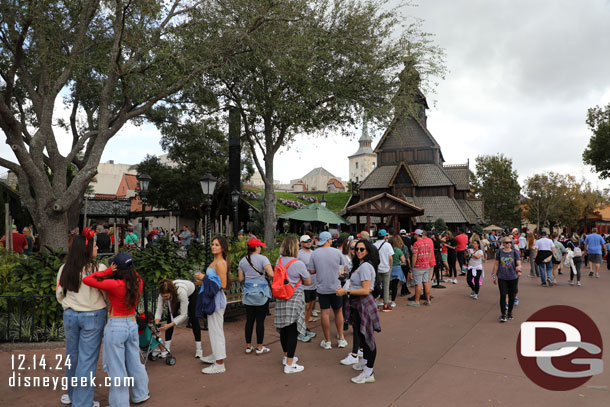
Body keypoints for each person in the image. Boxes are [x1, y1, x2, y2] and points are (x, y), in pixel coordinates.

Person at [82, 252, 150, 406]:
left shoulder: (114, 284)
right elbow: (133, 271)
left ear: (116, 269)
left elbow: (87, 279)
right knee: (134, 361)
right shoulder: (138, 281)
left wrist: (107, 271)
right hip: (132, 324)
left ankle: (120, 403)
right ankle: (140, 394)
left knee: (117, 367)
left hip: (116, 326)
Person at [56, 235, 107, 407]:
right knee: (87, 361)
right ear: (86, 249)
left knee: (72, 356)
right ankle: (83, 402)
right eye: (94, 246)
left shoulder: (65, 268)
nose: (97, 248)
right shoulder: (99, 268)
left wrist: (68, 305)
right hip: (92, 315)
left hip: (70, 314)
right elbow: (106, 293)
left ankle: (72, 395)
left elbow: (59, 294)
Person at [336, 238, 381, 384]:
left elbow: (366, 290)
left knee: (368, 339)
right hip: (358, 305)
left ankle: (369, 371)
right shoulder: (360, 265)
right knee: (362, 337)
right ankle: (366, 363)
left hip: (363, 305)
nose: (359, 251)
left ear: (367, 251)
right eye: (356, 249)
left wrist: (346, 291)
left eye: (362, 249)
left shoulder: (365, 266)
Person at [274, 236, 311, 373]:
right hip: (294, 296)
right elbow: (307, 282)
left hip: (281, 296)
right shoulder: (298, 263)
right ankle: (289, 364)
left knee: (284, 328)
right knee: (292, 330)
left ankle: (286, 356)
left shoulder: (278, 261)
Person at [195, 236, 229, 374]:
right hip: (212, 298)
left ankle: (220, 363)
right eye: (213, 244)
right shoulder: (215, 261)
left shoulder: (220, 263)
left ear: (222, 248)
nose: (213, 246)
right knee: (214, 330)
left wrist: (204, 277)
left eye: (217, 245)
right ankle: (216, 355)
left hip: (216, 300)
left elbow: (224, 284)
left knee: (216, 331)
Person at [307, 231, 347, 350]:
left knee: (325, 313)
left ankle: (327, 341)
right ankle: (341, 339)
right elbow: (344, 268)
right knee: (338, 312)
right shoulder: (337, 252)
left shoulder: (314, 254)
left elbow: (311, 271)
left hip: (322, 287)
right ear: (329, 240)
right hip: (336, 287)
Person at [238, 238, 274, 354]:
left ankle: (248, 346)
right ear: (257, 247)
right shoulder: (263, 259)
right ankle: (259, 347)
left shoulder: (243, 260)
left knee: (249, 320)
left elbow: (240, 279)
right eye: (260, 246)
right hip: (261, 293)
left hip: (248, 294)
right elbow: (271, 274)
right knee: (260, 321)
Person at [154, 279, 202, 358]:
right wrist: (156, 324)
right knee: (170, 318)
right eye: (163, 296)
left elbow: (184, 315)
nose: (164, 298)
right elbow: (159, 309)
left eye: (166, 296)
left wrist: (169, 325)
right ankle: (167, 348)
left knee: (193, 318)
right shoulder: (162, 295)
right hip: (175, 295)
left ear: (170, 293)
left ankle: (199, 349)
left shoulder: (181, 293)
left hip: (191, 293)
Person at [492, 237, 521, 323]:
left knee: (511, 296)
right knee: (503, 295)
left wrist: (519, 269)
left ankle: (510, 313)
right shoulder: (499, 252)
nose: (508, 244)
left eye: (510, 243)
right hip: (502, 277)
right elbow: (496, 264)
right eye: (506, 243)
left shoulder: (515, 252)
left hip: (513, 277)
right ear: (503, 244)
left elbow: (519, 263)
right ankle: (503, 314)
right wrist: (494, 275)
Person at [298, 234, 318, 341]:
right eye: (306, 241)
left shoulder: (313, 253)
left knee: (310, 307)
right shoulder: (298, 254)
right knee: (304, 308)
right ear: (301, 243)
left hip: (313, 284)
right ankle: (300, 329)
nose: (308, 243)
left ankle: (306, 327)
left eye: (310, 241)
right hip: (303, 286)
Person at [408, 229, 432, 307]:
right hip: (426, 265)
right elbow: (430, 253)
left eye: (415, 234)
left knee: (418, 284)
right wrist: (427, 262)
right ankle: (428, 300)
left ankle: (417, 301)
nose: (414, 236)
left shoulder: (416, 243)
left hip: (418, 266)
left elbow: (415, 255)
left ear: (417, 235)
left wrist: (413, 266)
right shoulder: (427, 242)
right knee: (426, 283)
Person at [373, 229, 394, 312]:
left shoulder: (374, 245)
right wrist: (390, 267)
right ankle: (385, 305)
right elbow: (390, 258)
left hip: (377, 269)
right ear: (385, 236)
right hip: (386, 268)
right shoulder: (388, 245)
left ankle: (376, 304)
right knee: (386, 287)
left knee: (376, 286)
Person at [389, 235, 406, 308]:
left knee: (387, 286)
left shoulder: (387, 249)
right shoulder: (398, 250)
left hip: (388, 268)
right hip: (397, 269)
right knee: (394, 286)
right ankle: (393, 301)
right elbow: (403, 260)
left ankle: (385, 299)